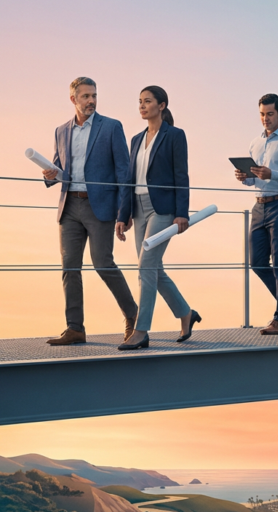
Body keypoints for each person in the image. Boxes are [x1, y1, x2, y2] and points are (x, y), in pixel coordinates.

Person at [41, 77, 138, 346]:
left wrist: (124, 211)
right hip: (69, 206)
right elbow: (60, 167)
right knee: (70, 267)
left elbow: (124, 172)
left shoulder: (111, 127)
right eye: (85, 96)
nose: (91, 101)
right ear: (73, 99)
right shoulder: (61, 131)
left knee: (103, 263)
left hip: (101, 206)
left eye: (94, 95)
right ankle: (75, 328)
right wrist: (50, 175)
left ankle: (133, 317)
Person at [116, 86, 200, 350]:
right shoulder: (135, 139)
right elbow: (129, 180)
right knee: (152, 268)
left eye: (148, 101)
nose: (142, 106)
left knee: (146, 266)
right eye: (140, 102)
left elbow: (181, 175)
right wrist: (123, 214)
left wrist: (182, 213)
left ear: (161, 105)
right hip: (138, 208)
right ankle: (186, 313)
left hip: (162, 209)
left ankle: (141, 330)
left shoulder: (174, 135)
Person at [234, 94, 278, 335]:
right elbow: (255, 180)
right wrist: (245, 177)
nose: (266, 118)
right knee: (257, 263)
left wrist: (270, 174)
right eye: (262, 114)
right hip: (258, 206)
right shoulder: (255, 142)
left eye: (270, 114)